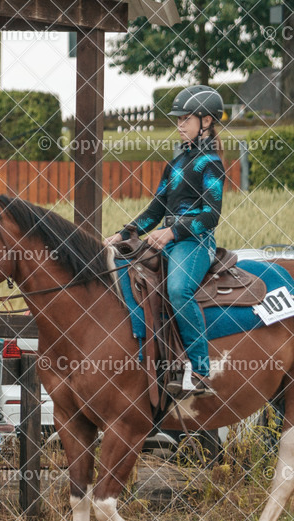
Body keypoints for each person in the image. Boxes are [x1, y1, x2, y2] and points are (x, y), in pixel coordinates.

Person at [104, 85, 226, 397]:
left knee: (178, 289)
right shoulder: (175, 164)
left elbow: (211, 215)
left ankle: (200, 371)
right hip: (166, 240)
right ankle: (142, 341)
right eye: (179, 119)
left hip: (195, 242)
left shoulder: (210, 163)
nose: (180, 124)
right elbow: (155, 210)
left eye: (186, 119)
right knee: (119, 265)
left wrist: (173, 232)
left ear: (207, 121)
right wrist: (122, 234)